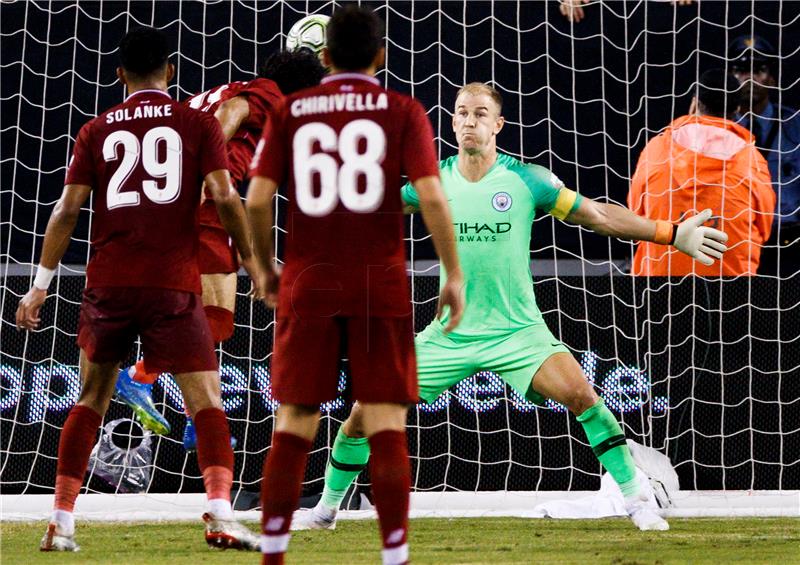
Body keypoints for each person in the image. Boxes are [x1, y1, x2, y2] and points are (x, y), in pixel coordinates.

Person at [294, 81, 729, 535]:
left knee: (584, 398)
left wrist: (671, 233)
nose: (469, 121)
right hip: (449, 335)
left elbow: (599, 216)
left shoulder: (529, 180)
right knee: (363, 415)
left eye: (480, 114)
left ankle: (636, 500)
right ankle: (325, 512)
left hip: (518, 333)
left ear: (498, 124)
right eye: (461, 113)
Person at [15, 27, 260, 552]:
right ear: (170, 72)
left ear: (120, 74)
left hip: (110, 283)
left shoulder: (97, 129)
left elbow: (65, 211)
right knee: (206, 402)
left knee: (90, 399)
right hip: (173, 283)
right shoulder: (197, 124)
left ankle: (62, 520)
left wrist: (39, 287)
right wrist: (256, 265)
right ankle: (219, 512)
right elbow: (224, 196)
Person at [247, 5, 463, 565]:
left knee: (296, 417)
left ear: (322, 57)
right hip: (377, 277)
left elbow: (255, 197)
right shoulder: (402, 110)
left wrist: (263, 267)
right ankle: (394, 554)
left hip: (309, 277)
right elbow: (433, 197)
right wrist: (453, 272)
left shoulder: (292, 110)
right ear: (381, 55)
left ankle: (274, 552)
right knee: (386, 416)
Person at [113, 49, 326, 448]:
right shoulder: (266, 95)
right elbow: (233, 110)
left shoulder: (222, 90)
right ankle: (144, 378)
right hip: (203, 202)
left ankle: (181, 403)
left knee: (205, 317)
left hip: (175, 201)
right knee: (212, 318)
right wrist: (196, 173)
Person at [628, 69, 774, 275]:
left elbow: (635, 217)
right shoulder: (752, 160)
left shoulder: (657, 148)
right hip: (732, 288)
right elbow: (764, 228)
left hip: (659, 283)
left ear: (694, 103)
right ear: (738, 110)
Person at [728, 35, 800, 276]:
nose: (749, 78)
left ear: (772, 77)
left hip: (789, 247)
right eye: (740, 70)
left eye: (759, 69)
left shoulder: (796, 125)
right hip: (733, 245)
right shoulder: (716, 129)